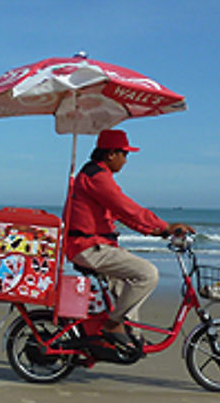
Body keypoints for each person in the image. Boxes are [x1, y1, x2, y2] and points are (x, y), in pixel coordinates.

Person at [64, 128, 194, 348]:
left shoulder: (99, 176)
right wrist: (166, 225)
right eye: (124, 154)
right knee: (147, 274)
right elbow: (126, 207)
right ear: (110, 154)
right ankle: (113, 325)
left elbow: (123, 216)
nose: (125, 161)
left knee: (127, 289)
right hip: (88, 247)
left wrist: (159, 231)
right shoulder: (97, 177)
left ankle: (130, 339)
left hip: (95, 246)